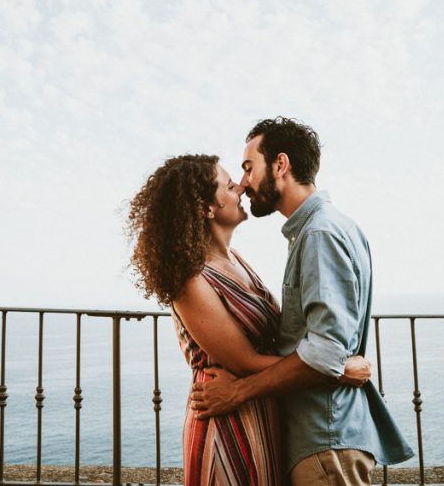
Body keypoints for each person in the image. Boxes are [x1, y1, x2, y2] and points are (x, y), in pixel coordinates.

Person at [189, 118, 414, 486]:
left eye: (248, 168)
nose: (244, 184)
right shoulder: (330, 227)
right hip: (325, 437)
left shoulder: (319, 234)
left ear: (280, 165)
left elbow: (324, 354)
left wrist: (238, 392)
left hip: (324, 439)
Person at [126, 153, 370, 486]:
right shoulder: (191, 279)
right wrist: (338, 370)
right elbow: (244, 360)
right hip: (226, 418)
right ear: (204, 207)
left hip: (256, 406)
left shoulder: (238, 261)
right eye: (229, 185)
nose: (241, 187)